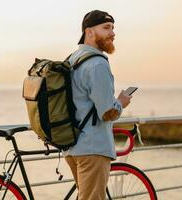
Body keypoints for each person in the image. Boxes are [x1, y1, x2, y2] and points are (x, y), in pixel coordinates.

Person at [64, 10, 132, 200]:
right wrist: (121, 102)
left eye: (112, 28)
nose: (112, 33)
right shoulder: (97, 64)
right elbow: (107, 112)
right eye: (106, 28)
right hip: (92, 148)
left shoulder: (73, 59)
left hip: (73, 147)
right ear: (90, 32)